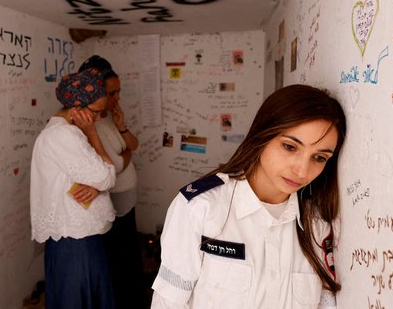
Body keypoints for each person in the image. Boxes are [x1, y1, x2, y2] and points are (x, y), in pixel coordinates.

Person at [151, 84, 347, 309]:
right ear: (262, 135)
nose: (302, 171)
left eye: (319, 158)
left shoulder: (317, 226)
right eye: (290, 147)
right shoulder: (200, 208)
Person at [30, 67, 117, 309]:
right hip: (76, 241)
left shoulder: (67, 134)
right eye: (97, 113)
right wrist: (92, 132)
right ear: (77, 109)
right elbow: (107, 176)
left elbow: (99, 178)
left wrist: (98, 186)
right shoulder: (63, 136)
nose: (100, 119)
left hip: (81, 236)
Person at [78, 55, 148, 308]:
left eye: (119, 91)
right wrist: (124, 156)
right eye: (112, 93)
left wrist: (121, 126)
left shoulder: (109, 116)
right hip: (112, 200)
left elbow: (134, 145)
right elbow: (114, 166)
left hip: (127, 198)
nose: (117, 98)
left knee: (128, 255)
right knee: (117, 259)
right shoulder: (88, 122)